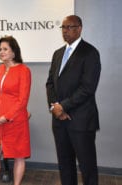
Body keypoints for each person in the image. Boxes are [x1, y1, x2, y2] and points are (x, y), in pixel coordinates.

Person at [46, 15, 101, 185]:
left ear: (79, 28)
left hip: (81, 120)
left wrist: (64, 106)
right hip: (59, 120)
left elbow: (87, 88)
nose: (65, 31)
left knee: (87, 167)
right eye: (63, 27)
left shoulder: (90, 52)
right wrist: (56, 107)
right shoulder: (58, 54)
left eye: (69, 27)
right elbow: (50, 83)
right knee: (65, 165)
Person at [0, 36, 31, 185]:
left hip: (15, 121)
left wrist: (7, 116)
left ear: (14, 52)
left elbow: (22, 100)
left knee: (18, 156)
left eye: (5, 49)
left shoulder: (24, 70)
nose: (1, 52)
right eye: (0, 49)